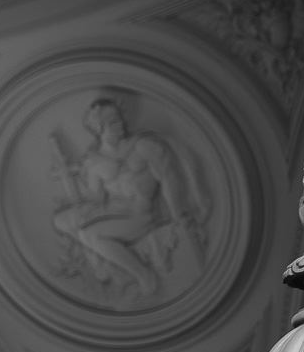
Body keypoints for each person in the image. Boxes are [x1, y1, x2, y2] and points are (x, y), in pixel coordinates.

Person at [49, 96, 201, 296]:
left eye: (120, 118)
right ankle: (107, 262)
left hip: (140, 215)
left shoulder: (143, 146)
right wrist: (71, 177)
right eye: (113, 122)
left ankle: (143, 275)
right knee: (62, 220)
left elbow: (168, 178)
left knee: (89, 234)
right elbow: (96, 199)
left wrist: (177, 214)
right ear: (99, 128)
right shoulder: (94, 162)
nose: (121, 124)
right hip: (112, 211)